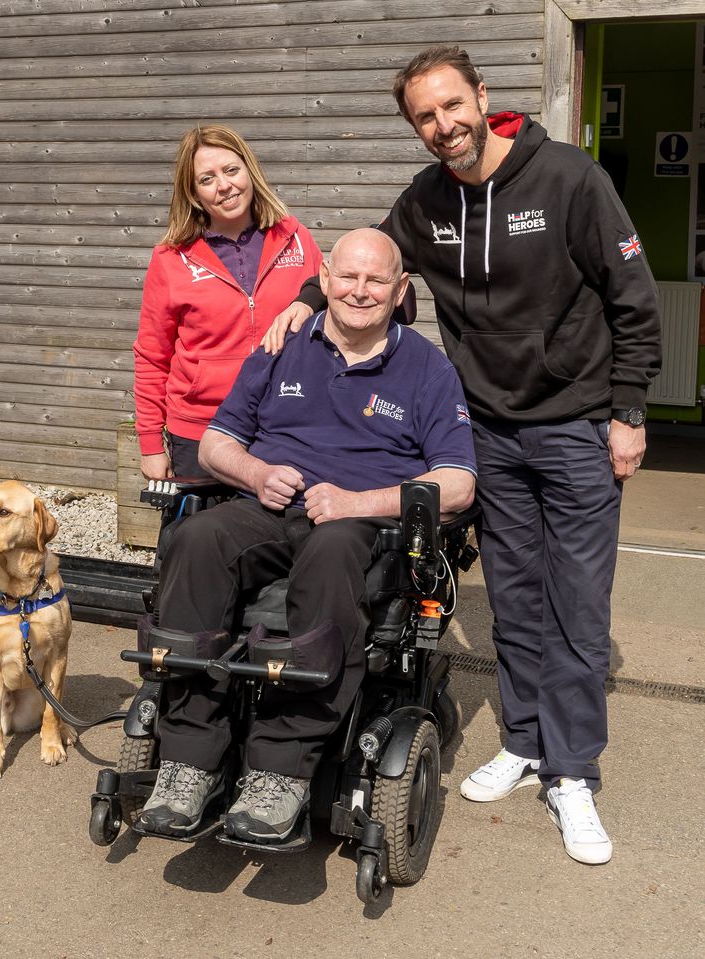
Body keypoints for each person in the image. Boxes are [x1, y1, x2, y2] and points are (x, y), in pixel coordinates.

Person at [267, 46, 662, 865]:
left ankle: (572, 769)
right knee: (513, 595)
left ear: (483, 97)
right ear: (414, 126)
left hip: (578, 424)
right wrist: (306, 299)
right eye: (424, 116)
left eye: (453, 105)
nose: (443, 125)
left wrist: (628, 411)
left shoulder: (569, 180)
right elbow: (370, 251)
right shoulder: (427, 200)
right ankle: (523, 740)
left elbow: (634, 297)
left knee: (577, 602)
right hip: (490, 429)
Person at [135, 229, 477, 843]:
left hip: (358, 526)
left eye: (377, 281)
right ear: (324, 279)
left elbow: (456, 484)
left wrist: (357, 502)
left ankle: (279, 772)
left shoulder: (426, 367)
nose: (360, 291)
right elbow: (215, 444)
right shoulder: (283, 343)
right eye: (348, 277)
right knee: (197, 539)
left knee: (334, 548)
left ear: (401, 290)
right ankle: (188, 762)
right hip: (269, 507)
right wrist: (256, 472)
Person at [132, 124, 323, 481]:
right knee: (197, 535)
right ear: (193, 193)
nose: (224, 185)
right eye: (207, 179)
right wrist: (151, 446)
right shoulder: (171, 258)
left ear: (249, 170)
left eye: (231, 170)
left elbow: (327, 298)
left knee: (276, 533)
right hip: (199, 429)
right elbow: (151, 356)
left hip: (282, 424)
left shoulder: (294, 237)